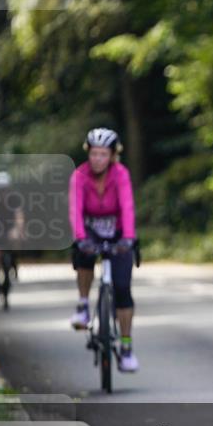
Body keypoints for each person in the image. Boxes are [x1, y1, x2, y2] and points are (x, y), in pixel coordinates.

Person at [69, 127, 139, 372]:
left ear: (112, 155)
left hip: (119, 231)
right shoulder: (79, 176)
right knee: (84, 255)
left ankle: (127, 346)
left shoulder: (120, 174)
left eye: (103, 154)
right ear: (89, 154)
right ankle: (83, 305)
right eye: (94, 154)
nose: (98, 159)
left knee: (122, 290)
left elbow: (128, 207)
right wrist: (80, 238)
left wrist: (129, 238)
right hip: (90, 230)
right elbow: (75, 210)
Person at [0, 170, 23, 302]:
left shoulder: (14, 197)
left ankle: (14, 263)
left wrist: (18, 229)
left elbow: (19, 216)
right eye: (0, 189)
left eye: (5, 189)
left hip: (10, 227)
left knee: (17, 240)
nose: (2, 192)